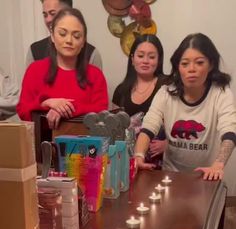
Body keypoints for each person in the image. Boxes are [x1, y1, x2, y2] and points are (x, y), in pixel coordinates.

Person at [135, 33, 236, 180]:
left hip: (207, 176)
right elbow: (149, 126)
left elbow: (230, 130)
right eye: (185, 63)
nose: (192, 69)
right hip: (171, 175)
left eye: (200, 63)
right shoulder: (166, 92)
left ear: (211, 65)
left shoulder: (220, 92)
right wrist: (139, 156)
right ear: (178, 67)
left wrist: (218, 165)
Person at [17, 8, 108, 128]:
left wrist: (63, 109)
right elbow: (23, 111)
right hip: (42, 142)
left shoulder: (95, 74)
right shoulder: (35, 70)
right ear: (53, 36)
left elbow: (102, 113)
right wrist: (46, 103)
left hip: (85, 143)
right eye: (62, 34)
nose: (69, 40)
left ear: (83, 41)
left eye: (76, 36)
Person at [112, 34, 167, 166]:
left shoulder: (168, 86)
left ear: (159, 60)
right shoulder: (121, 90)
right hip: (127, 162)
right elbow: (114, 129)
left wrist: (168, 145)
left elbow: (180, 123)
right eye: (140, 56)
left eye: (152, 57)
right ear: (132, 59)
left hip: (162, 163)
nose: (145, 61)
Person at [26, 0, 103, 70]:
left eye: (53, 14)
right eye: (45, 15)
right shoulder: (34, 51)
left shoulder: (92, 55)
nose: (48, 20)